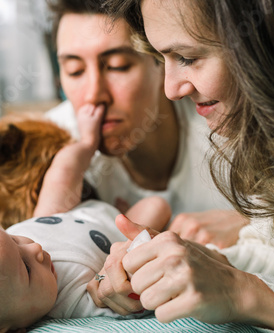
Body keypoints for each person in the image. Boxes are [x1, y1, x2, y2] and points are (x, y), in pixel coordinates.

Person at [91, 0, 274, 332]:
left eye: (188, 58)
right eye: (160, 57)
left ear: (273, 41)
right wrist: (195, 263)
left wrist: (241, 293)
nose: (171, 90)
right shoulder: (273, 131)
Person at [0, 104, 170, 332]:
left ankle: (87, 141)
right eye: (25, 268)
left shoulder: (4, 253)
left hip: (49, 218)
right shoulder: (73, 304)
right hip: (115, 232)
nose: (35, 248)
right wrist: (131, 276)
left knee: (62, 172)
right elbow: (124, 297)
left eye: (12, 240)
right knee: (156, 207)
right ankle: (120, 210)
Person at [44, 0, 248, 249]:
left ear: (162, 61)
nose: (94, 95)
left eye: (118, 66)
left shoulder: (225, 123)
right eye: (75, 71)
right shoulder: (47, 147)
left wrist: (250, 224)